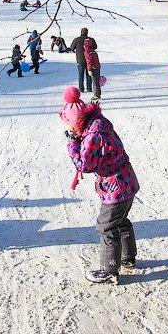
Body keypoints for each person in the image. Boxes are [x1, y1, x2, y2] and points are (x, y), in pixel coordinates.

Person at [60, 87, 139, 284]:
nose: (69, 130)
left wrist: (72, 144)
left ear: (76, 122)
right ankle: (128, 258)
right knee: (120, 221)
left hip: (116, 185)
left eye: (69, 126)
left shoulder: (93, 135)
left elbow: (84, 165)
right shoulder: (98, 125)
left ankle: (109, 269)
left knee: (106, 226)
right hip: (125, 181)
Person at [69, 28, 97, 92]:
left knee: (81, 75)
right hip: (89, 60)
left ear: (81, 32)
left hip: (80, 60)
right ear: (87, 32)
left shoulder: (76, 40)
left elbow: (71, 48)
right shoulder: (91, 39)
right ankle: (89, 88)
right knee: (89, 75)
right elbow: (95, 47)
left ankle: (81, 89)